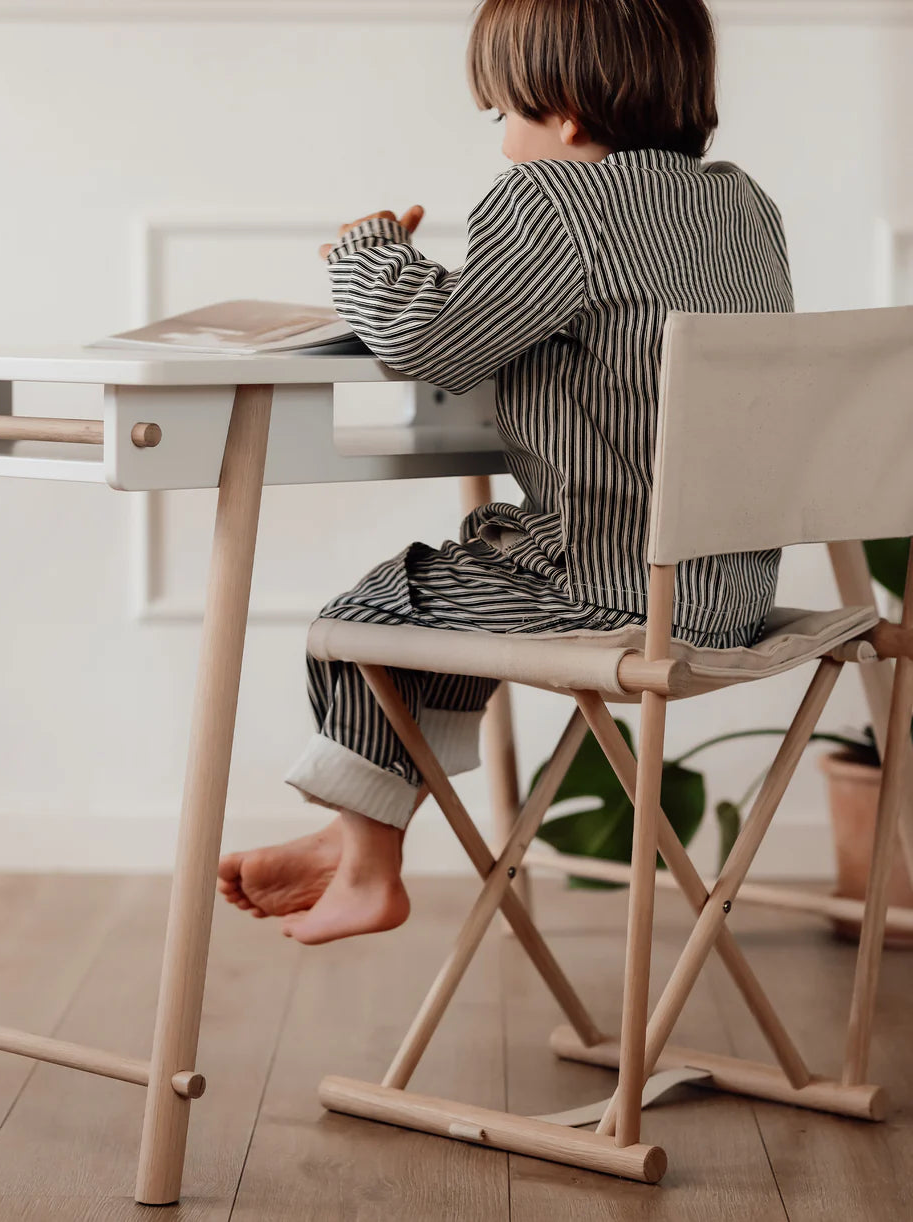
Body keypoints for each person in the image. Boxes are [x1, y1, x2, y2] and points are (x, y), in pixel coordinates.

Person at [218, 0, 793, 944]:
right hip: (728, 591)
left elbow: (430, 342)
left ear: (565, 111)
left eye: (505, 119)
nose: (502, 150)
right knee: (447, 598)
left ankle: (368, 861)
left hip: (612, 589)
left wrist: (371, 257)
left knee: (364, 619)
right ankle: (350, 838)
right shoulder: (740, 206)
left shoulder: (552, 203)